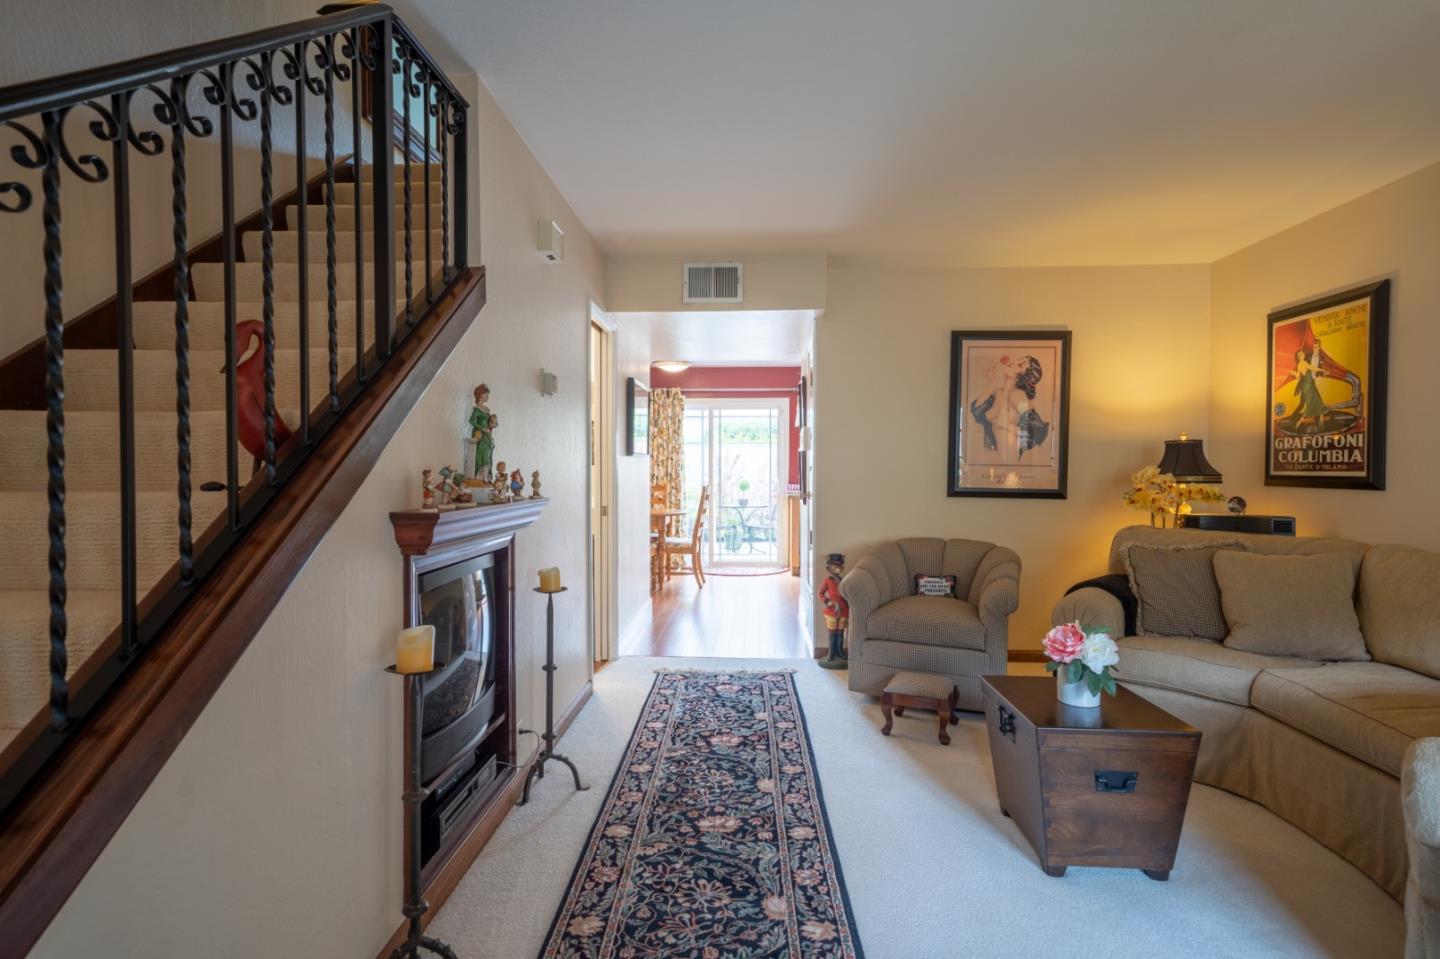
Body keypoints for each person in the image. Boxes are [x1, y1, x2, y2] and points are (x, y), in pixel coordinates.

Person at [817, 553, 849, 669]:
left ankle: (840, 651)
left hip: (844, 610)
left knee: (840, 632)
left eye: (840, 567)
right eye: (835, 567)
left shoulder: (844, 580)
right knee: (832, 633)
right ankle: (831, 652)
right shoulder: (828, 581)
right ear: (829, 568)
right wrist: (828, 602)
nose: (838, 569)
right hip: (832, 610)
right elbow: (820, 593)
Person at [468, 384, 494, 480]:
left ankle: (486, 476)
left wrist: (492, 425)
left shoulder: (487, 410)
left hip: (487, 434)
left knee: (488, 453)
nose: (488, 396)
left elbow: (489, 422)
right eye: (486, 394)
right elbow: (471, 421)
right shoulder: (477, 409)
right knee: (481, 453)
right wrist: (481, 428)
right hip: (480, 435)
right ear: (481, 395)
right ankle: (479, 476)